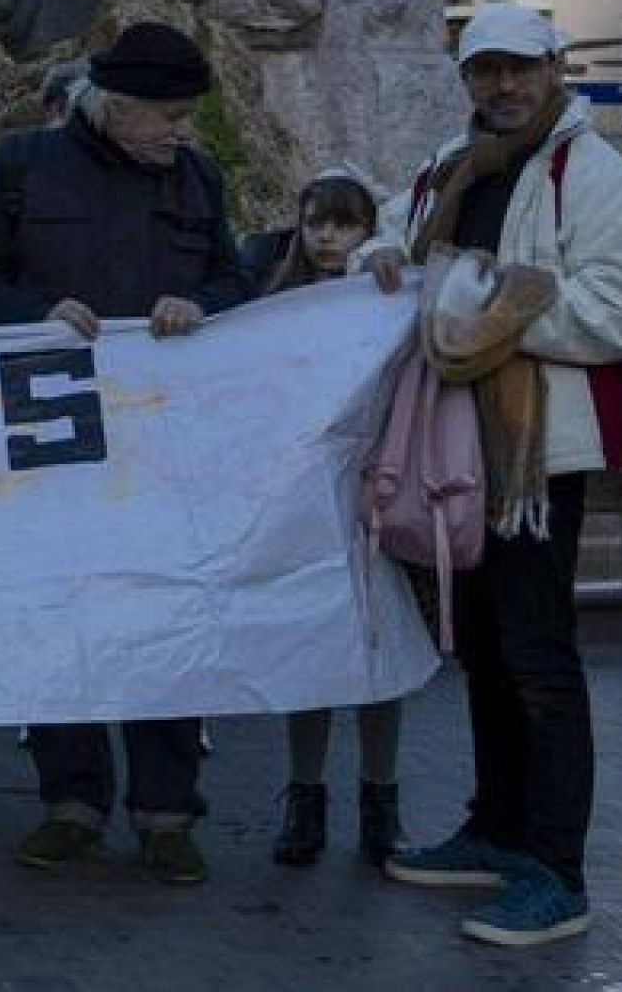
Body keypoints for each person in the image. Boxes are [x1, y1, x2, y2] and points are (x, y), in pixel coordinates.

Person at [376, 3, 622, 951]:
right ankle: (496, 829)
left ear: (553, 67)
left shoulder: (593, 172)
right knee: (486, 647)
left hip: (538, 455)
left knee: (538, 655)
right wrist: (388, 265)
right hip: (457, 441)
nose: (502, 86)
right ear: (465, 79)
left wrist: (484, 312)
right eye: (484, 70)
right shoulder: (449, 164)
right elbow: (398, 247)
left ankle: (556, 870)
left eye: (518, 68)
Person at [0, 21, 252, 884]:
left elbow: (236, 283)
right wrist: (33, 317)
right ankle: (70, 800)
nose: (184, 131)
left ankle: (167, 812)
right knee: (57, 620)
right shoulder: (20, 166)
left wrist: (202, 304)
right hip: (51, 450)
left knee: (165, 621)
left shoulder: (198, 178)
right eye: (171, 116)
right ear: (115, 105)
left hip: (161, 451)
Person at [236, 165, 412, 871]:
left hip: (370, 499)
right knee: (310, 650)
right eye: (316, 222)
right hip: (304, 499)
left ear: (369, 228)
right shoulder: (278, 304)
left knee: (378, 651)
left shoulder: (385, 292)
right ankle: (306, 798)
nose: (328, 236)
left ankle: (379, 802)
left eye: (344, 223)